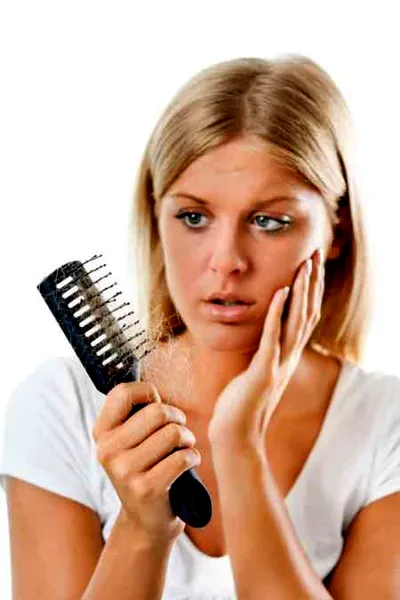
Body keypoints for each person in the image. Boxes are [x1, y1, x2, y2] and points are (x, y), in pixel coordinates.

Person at [1, 54, 400, 599]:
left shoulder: (385, 425)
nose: (227, 260)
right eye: (193, 217)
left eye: (269, 221)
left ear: (337, 232)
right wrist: (142, 528)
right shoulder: (63, 407)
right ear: (157, 217)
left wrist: (238, 443)